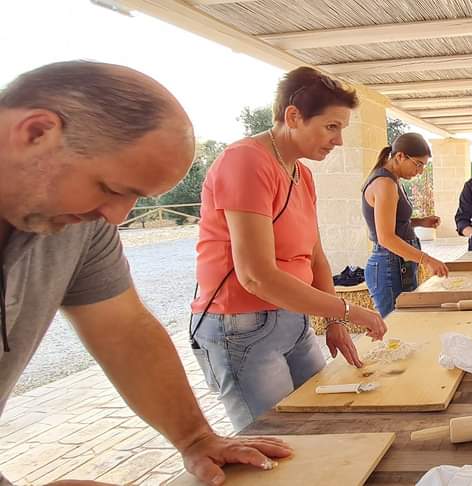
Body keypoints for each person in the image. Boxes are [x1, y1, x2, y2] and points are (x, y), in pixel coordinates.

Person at [0, 61, 291, 486]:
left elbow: (125, 328)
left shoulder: (82, 223)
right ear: (36, 133)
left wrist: (195, 438)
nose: (116, 216)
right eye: (112, 189)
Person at [191, 67, 388, 430]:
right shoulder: (246, 161)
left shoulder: (302, 173)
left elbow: (315, 256)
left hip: (293, 320)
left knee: (319, 423)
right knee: (278, 439)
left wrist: (333, 321)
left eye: (342, 129)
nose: (339, 140)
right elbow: (256, 276)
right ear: (293, 116)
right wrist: (347, 310)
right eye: (331, 127)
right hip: (242, 325)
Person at [363, 133, 449, 317]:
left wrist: (420, 222)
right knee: (397, 326)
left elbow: (393, 222)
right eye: (418, 164)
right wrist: (427, 260)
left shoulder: (393, 180)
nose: (419, 171)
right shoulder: (384, 183)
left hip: (397, 264)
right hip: (389, 265)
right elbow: (385, 237)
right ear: (400, 156)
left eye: (423, 166)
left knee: (407, 321)